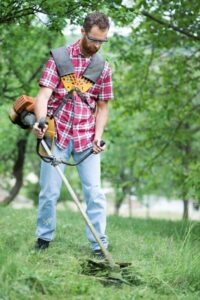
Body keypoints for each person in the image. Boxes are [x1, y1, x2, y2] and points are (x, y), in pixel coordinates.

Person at [33, 12, 113, 257]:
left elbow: (102, 107)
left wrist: (98, 136)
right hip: (57, 133)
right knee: (49, 192)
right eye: (94, 40)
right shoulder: (59, 58)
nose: (97, 45)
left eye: (102, 41)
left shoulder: (103, 67)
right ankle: (43, 238)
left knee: (95, 193)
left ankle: (99, 245)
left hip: (86, 138)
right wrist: (39, 121)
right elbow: (44, 96)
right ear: (82, 32)